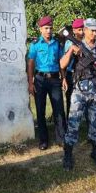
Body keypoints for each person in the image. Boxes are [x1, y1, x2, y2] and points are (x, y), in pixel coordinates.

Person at [60, 18, 96, 170]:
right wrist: (71, 51)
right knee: (74, 122)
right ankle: (68, 154)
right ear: (85, 30)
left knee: (94, 122)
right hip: (80, 90)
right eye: (92, 30)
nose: (95, 33)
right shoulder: (76, 45)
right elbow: (62, 64)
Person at [27, 16, 67, 150]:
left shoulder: (57, 44)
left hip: (55, 80)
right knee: (40, 110)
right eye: (46, 28)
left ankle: (61, 138)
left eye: (50, 28)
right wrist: (30, 83)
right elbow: (31, 63)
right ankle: (43, 140)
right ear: (40, 29)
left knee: (59, 109)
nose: (49, 31)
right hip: (40, 80)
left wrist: (64, 78)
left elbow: (61, 63)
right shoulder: (35, 45)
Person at [64, 18, 84, 118]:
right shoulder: (69, 42)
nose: (82, 32)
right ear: (74, 30)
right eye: (79, 29)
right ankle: (69, 120)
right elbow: (65, 60)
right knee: (71, 99)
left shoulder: (86, 41)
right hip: (71, 73)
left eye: (83, 29)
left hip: (84, 74)